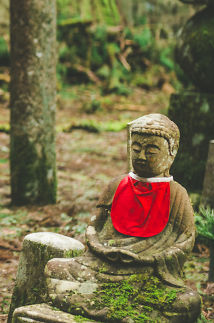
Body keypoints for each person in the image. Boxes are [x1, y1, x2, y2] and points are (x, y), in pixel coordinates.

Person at [44, 113, 201, 322]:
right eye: (135, 149)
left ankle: (104, 307)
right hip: (101, 265)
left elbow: (185, 240)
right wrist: (98, 245)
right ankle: (126, 313)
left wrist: (152, 258)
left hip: (146, 273)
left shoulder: (177, 194)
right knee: (54, 269)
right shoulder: (116, 185)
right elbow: (94, 226)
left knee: (187, 302)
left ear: (171, 153)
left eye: (151, 150)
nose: (141, 156)